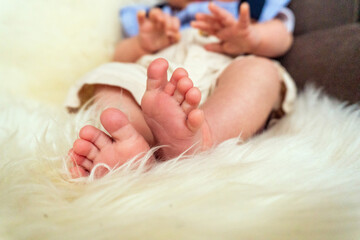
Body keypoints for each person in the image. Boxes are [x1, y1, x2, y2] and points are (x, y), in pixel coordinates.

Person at [66, 0, 297, 178]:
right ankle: (138, 142)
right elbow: (120, 56)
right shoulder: (157, 16)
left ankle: (204, 136)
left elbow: (283, 38)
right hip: (153, 80)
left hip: (225, 73)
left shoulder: (251, 9)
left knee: (260, 71)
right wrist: (142, 44)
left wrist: (253, 38)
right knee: (111, 76)